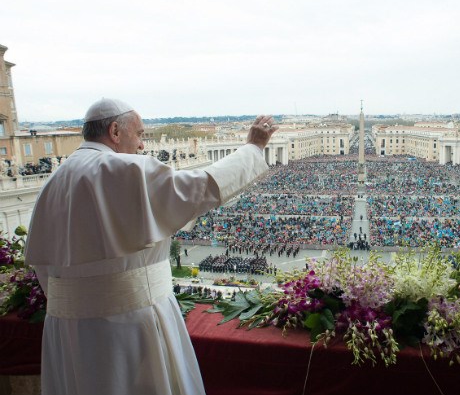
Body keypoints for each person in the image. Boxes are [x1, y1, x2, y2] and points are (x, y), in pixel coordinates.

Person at [24, 98, 277, 395]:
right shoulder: (123, 169)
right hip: (129, 325)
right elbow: (200, 187)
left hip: (67, 332)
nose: (143, 146)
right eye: (141, 134)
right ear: (115, 131)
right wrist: (253, 148)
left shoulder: (54, 181)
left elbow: (44, 270)